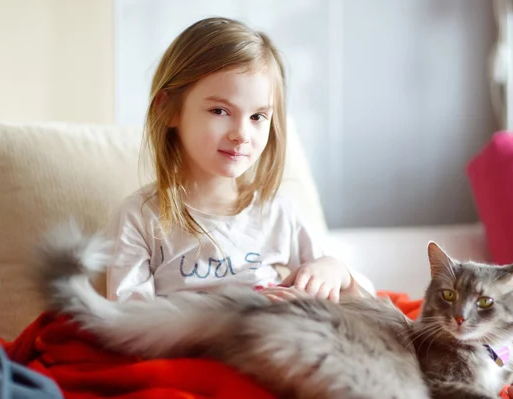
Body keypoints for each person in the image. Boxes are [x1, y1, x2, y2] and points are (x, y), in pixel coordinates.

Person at [104, 17, 365, 304]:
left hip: (273, 340)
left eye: (257, 117)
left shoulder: (276, 213)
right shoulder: (140, 217)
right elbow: (127, 320)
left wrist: (335, 270)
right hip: (190, 345)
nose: (241, 134)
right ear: (168, 109)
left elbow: (360, 293)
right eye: (219, 111)